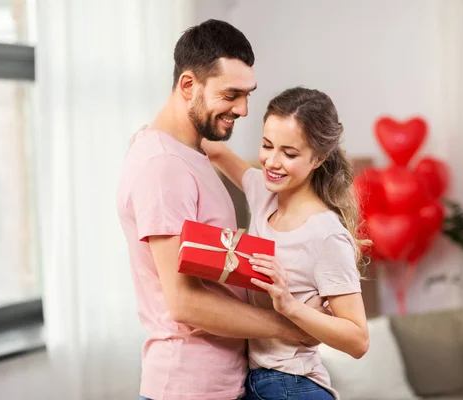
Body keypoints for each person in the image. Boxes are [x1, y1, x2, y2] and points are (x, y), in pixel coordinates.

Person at [117, 20, 322, 400]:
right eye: (231, 95)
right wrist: (292, 325)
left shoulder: (189, 151)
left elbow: (211, 262)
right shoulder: (163, 165)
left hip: (222, 383)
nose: (243, 109)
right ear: (188, 85)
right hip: (186, 387)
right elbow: (185, 302)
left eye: (247, 94)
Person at [201, 86, 370, 400]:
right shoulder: (265, 194)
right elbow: (217, 151)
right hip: (259, 383)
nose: (272, 162)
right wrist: (156, 137)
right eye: (267, 145)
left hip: (294, 385)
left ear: (318, 158)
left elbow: (358, 340)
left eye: (289, 153)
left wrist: (290, 307)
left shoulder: (325, 234)